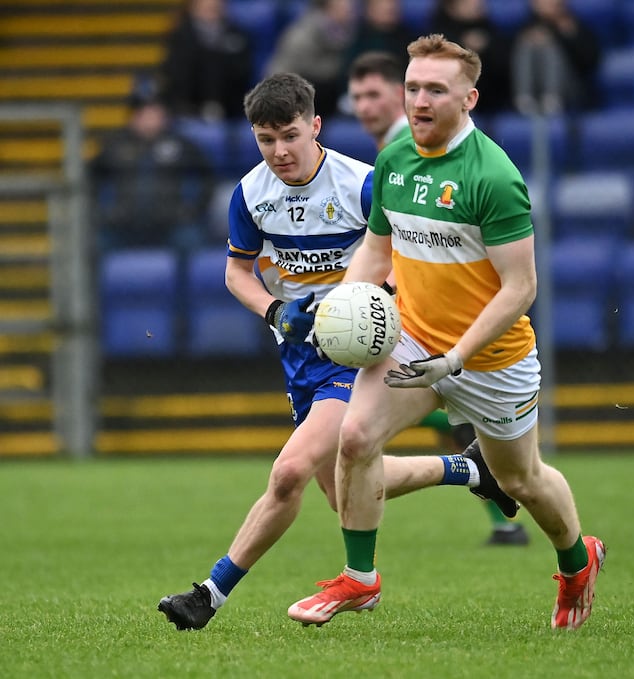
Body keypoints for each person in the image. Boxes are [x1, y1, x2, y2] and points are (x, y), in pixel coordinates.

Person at [157, 72, 518, 631]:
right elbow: (236, 272)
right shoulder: (251, 194)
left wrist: (371, 300)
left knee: (288, 472)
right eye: (265, 139)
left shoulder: (363, 183)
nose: (279, 151)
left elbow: (410, 254)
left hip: (358, 353)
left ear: (316, 126)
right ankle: (469, 470)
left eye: (290, 135)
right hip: (298, 356)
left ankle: (209, 594)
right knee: (344, 491)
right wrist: (276, 312)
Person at [288, 34, 605, 630]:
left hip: (491, 362)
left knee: (522, 479)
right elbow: (376, 252)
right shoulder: (395, 159)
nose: (419, 100)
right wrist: (342, 304)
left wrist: (457, 357)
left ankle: (575, 560)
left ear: (469, 98)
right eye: (412, 87)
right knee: (353, 439)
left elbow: (521, 288)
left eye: (436, 89)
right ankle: (359, 580)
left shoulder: (494, 176)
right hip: (412, 340)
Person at [347, 50, 531, 546]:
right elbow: (381, 241)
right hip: (415, 318)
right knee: (351, 449)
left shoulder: (422, 145)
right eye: (357, 96)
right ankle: (485, 495)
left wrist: (370, 295)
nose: (364, 106)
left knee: (514, 471)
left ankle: (496, 503)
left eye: (374, 94)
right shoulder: (395, 152)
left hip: (461, 328)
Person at [90, 75, 214, 253]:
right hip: (122, 226)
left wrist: (192, 211)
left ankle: (185, 282)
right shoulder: (115, 145)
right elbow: (89, 178)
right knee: (95, 244)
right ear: (132, 117)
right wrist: (103, 213)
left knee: (190, 240)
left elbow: (207, 176)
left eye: (154, 112)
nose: (149, 119)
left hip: (171, 225)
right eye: (143, 113)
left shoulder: (180, 144)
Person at [159, 0, 253, 121]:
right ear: (193, 9)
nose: (211, 12)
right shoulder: (180, 36)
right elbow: (175, 74)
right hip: (188, 107)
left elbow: (243, 72)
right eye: (206, 8)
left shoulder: (237, 35)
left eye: (215, 8)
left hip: (231, 107)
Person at [265, 0, 357, 118]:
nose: (350, 10)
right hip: (291, 94)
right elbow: (303, 71)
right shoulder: (303, 35)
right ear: (328, 9)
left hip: (319, 94)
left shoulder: (346, 31)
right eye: (344, 6)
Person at [510, 0, 601, 114]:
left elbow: (591, 61)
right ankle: (524, 97)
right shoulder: (526, 28)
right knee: (525, 45)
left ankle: (552, 98)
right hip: (536, 86)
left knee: (550, 48)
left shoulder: (572, 25)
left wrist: (568, 36)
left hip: (569, 87)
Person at [428, 0, 512, 113]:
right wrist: (462, 46)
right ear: (452, 7)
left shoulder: (489, 29)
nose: (477, 4)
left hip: (492, 101)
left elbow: (504, 64)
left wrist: (486, 47)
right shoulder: (438, 33)